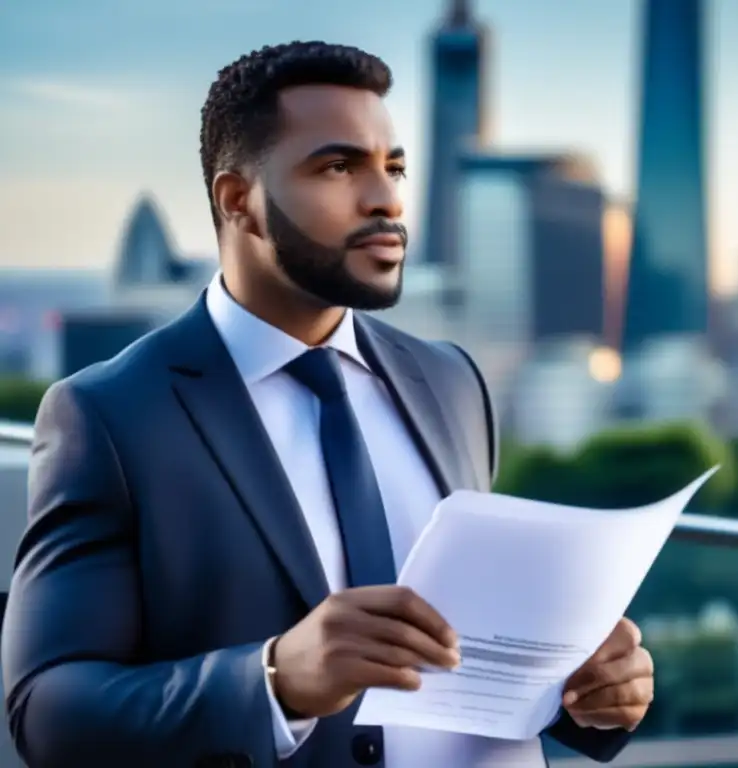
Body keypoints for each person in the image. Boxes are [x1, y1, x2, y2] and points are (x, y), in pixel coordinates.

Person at [1, 41, 653, 768]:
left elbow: (475, 661)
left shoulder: (452, 382)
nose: (386, 199)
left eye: (394, 167)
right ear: (236, 199)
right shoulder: (110, 416)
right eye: (339, 167)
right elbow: (50, 715)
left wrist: (587, 691)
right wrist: (276, 679)